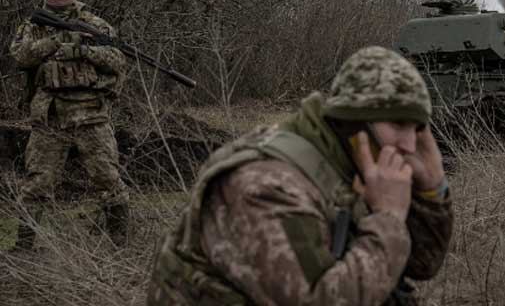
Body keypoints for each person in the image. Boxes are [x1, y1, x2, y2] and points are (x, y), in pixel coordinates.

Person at [147, 46, 453, 306]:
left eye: (416, 129)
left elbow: (420, 264)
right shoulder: (265, 185)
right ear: (354, 122)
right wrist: (387, 218)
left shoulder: (355, 163)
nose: (410, 145)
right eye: (398, 125)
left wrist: (431, 188)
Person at [9, 0, 129, 249]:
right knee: (37, 183)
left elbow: (118, 61)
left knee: (107, 178)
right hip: (49, 117)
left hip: (91, 114)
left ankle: (119, 243)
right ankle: (23, 247)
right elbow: (20, 57)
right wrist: (56, 41)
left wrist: (83, 50)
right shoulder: (33, 25)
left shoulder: (94, 24)